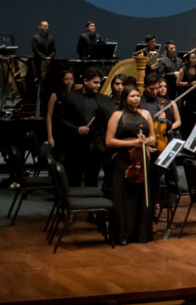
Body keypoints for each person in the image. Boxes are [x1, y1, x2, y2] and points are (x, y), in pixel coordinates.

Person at [104, 85, 157, 244]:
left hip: (142, 159)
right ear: (125, 98)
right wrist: (133, 142)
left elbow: (153, 138)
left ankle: (140, 234)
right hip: (124, 160)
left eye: (137, 96)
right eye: (132, 96)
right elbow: (109, 141)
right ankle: (123, 234)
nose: (136, 99)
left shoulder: (146, 114)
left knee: (141, 196)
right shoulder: (116, 115)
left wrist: (144, 141)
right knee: (124, 197)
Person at [58, 67, 114, 187]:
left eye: (100, 83)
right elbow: (60, 119)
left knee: (92, 181)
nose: (98, 86)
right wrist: (76, 129)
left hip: (94, 148)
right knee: (73, 180)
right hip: (74, 146)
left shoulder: (103, 99)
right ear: (85, 81)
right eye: (95, 82)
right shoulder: (71, 97)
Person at [46, 70, 75, 149]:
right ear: (62, 80)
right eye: (66, 79)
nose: (69, 82)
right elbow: (49, 117)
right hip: (58, 130)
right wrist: (50, 136)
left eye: (71, 79)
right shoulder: (54, 95)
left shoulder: (76, 95)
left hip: (71, 130)